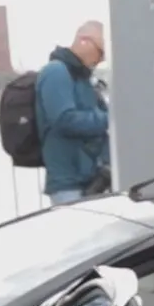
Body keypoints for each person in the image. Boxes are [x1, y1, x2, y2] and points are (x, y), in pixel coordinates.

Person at [35, 21, 110, 204]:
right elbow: (64, 119)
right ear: (84, 40)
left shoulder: (83, 78)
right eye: (100, 51)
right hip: (69, 184)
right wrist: (111, 120)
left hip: (92, 180)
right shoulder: (56, 72)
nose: (101, 59)